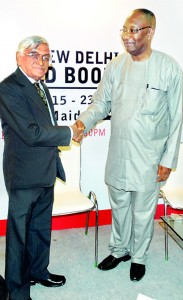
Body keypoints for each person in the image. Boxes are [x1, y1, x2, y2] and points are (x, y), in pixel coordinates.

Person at [75, 8, 183, 281]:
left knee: (144, 211)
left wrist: (168, 160)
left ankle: (139, 257)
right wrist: (82, 124)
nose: (127, 36)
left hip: (150, 157)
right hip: (120, 153)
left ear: (150, 32)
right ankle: (120, 249)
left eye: (133, 30)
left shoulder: (168, 67)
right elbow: (101, 104)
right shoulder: (115, 66)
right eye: (124, 30)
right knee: (120, 205)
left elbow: (177, 117)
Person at [0, 36, 83, 300]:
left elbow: (44, 125)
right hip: (24, 174)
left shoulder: (40, 86)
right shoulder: (8, 88)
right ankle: (18, 292)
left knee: (40, 228)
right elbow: (31, 133)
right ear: (19, 57)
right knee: (20, 237)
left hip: (46, 169)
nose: (41, 61)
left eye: (46, 57)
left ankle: (39, 271)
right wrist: (70, 132)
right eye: (35, 55)